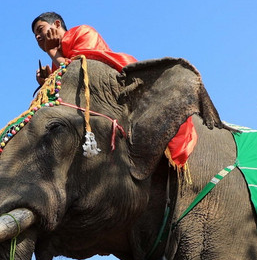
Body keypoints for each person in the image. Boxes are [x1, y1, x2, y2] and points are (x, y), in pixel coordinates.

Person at [31, 12, 197, 168]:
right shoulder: (57, 59)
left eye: (40, 30)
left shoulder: (82, 32)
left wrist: (53, 53)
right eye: (35, 36)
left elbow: (84, 72)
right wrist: (47, 81)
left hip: (111, 88)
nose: (38, 37)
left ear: (57, 24)